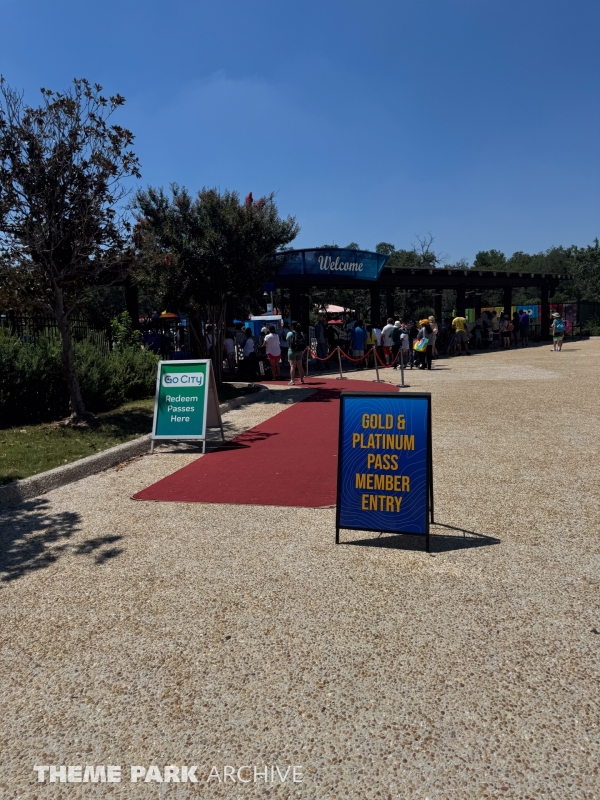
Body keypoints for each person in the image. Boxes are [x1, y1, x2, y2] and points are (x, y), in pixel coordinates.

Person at [286, 321, 306, 385]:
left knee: (292, 366)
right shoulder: (301, 333)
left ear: (292, 326)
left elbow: (287, 342)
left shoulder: (290, 333)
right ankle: (302, 380)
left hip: (292, 351)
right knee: (300, 366)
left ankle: (292, 380)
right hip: (300, 351)